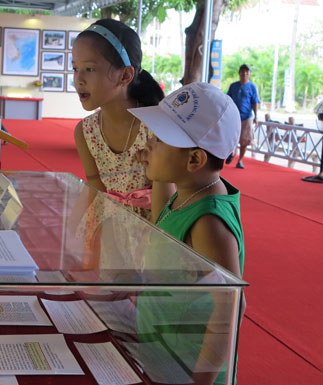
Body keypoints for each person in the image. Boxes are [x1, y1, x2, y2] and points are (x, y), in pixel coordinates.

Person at [129, 82, 245, 384]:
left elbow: (231, 304)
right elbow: (161, 221)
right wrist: (156, 171)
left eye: (158, 139)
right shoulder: (187, 192)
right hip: (164, 353)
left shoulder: (208, 221)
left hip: (188, 367)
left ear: (194, 160)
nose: (148, 145)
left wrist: (202, 378)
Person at [72, 18, 164, 218]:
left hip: (153, 237)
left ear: (125, 75)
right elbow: (95, 193)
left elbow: (166, 204)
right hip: (109, 233)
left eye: (89, 69)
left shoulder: (156, 130)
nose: (78, 79)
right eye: (75, 68)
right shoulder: (85, 133)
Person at [226, 64, 260, 169]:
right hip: (233, 117)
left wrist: (256, 116)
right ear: (239, 73)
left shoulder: (252, 87)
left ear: (249, 74)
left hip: (247, 117)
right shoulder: (233, 86)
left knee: (244, 141)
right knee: (231, 138)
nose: (244, 73)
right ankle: (231, 153)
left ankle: (240, 160)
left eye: (246, 72)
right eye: (242, 71)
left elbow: (255, 102)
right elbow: (228, 100)